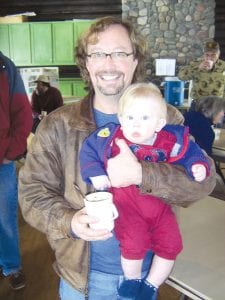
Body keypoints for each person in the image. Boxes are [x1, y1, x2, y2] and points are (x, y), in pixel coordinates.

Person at [18, 16, 216, 300]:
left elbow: (204, 181)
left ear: (135, 60)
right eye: (98, 53)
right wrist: (69, 221)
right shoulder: (57, 125)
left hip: (148, 272)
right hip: (81, 280)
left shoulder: (167, 119)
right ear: (86, 62)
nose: (109, 63)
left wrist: (142, 174)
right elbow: (31, 194)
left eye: (120, 53)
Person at [80, 82, 210, 299]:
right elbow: (89, 151)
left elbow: (192, 152)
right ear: (121, 118)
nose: (135, 125)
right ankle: (132, 280)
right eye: (129, 118)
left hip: (160, 208)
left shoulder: (170, 140)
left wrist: (197, 165)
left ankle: (151, 284)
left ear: (160, 123)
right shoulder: (111, 137)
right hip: (127, 208)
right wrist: (98, 175)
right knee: (134, 243)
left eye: (144, 118)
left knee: (172, 244)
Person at [0, 51, 32, 290]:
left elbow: (22, 112)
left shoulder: (4, 66)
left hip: (2, 160)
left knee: (5, 218)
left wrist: (11, 152)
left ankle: (11, 266)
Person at [178, 40, 225, 110]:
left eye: (213, 55)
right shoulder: (195, 64)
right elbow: (181, 76)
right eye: (207, 55)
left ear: (218, 54)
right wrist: (197, 68)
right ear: (203, 54)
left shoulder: (223, 66)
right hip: (198, 104)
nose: (209, 58)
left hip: (217, 105)